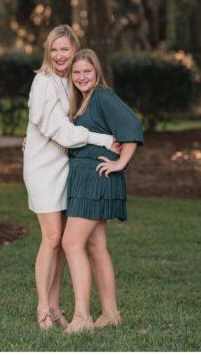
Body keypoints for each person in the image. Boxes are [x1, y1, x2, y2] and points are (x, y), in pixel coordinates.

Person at [24, 25, 120, 330]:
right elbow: (59, 130)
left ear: (74, 49)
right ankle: (42, 308)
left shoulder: (72, 83)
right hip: (42, 167)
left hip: (67, 166)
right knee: (51, 237)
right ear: (47, 52)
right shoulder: (42, 82)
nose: (59, 55)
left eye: (65, 49)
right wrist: (104, 141)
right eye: (54, 49)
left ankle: (55, 306)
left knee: (65, 242)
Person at [60, 49, 144, 334]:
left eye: (87, 71)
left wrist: (121, 162)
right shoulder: (80, 101)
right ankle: (110, 313)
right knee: (95, 247)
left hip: (96, 179)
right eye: (77, 72)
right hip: (85, 178)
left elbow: (132, 125)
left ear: (97, 72)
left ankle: (82, 318)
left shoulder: (102, 96)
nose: (82, 77)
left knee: (71, 242)